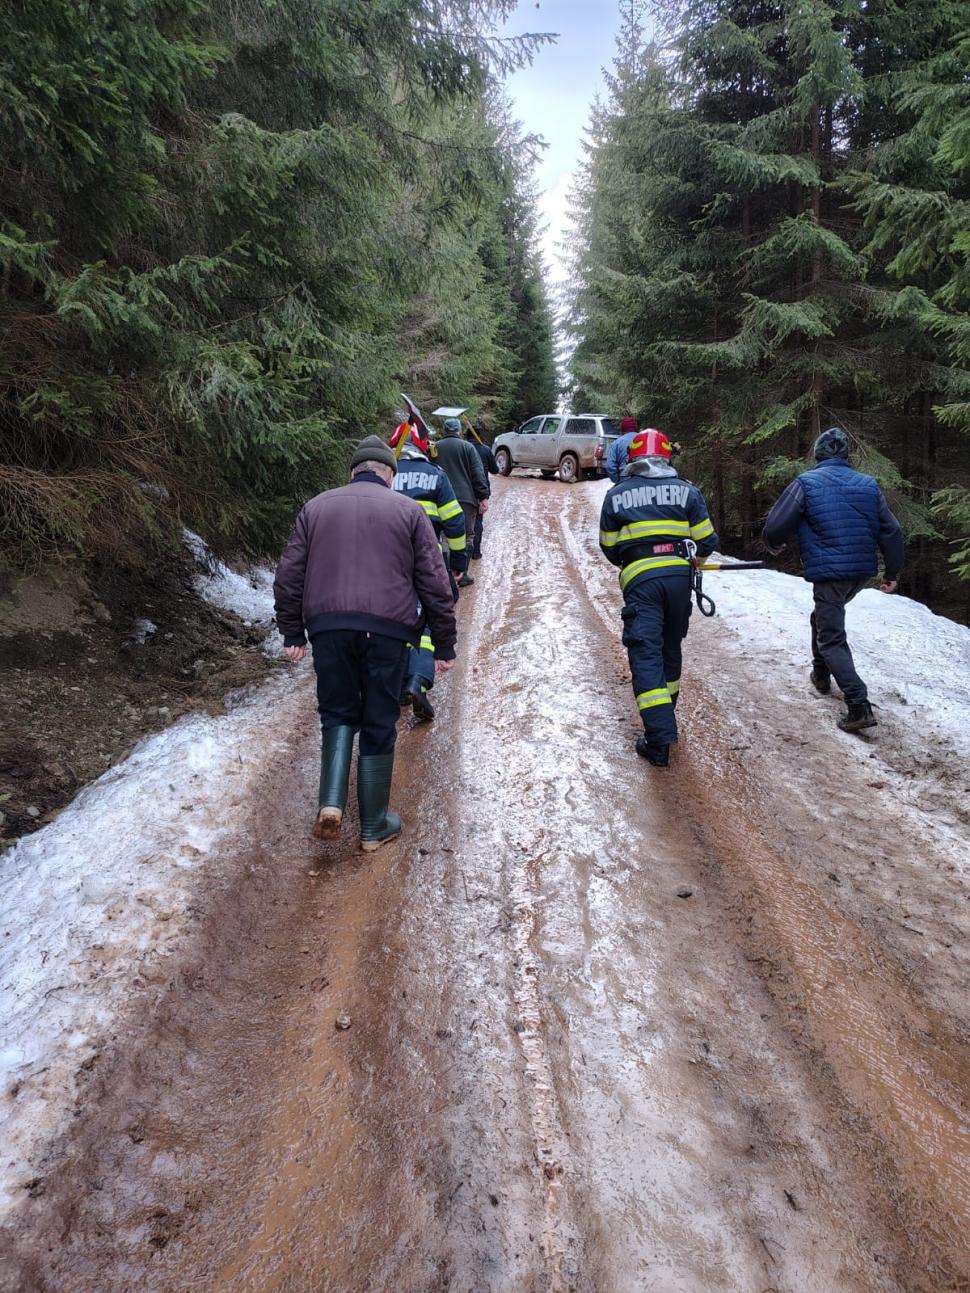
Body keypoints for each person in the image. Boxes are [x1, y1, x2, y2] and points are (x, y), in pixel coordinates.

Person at [274, 435, 457, 850]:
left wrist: (292, 632)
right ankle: (373, 826)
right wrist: (443, 645)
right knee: (378, 719)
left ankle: (332, 804)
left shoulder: (316, 507)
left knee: (337, 711)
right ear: (390, 475)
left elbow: (288, 576)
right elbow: (436, 584)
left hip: (329, 628)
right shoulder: (409, 511)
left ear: (352, 471)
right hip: (388, 633)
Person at [762, 426, 904, 733]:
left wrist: (775, 542)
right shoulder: (868, 484)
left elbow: (776, 524)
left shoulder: (807, 482)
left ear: (818, 454)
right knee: (824, 618)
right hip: (860, 572)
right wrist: (891, 572)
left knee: (831, 637)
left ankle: (858, 704)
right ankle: (821, 675)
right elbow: (892, 530)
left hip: (831, 573)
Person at [599, 429, 718, 766]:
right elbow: (707, 541)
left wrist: (634, 560)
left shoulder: (617, 495)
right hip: (680, 580)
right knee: (669, 647)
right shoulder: (688, 492)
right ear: (667, 457)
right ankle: (665, 714)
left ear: (632, 459)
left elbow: (608, 545)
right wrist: (690, 563)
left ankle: (659, 739)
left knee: (645, 652)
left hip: (641, 580)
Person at [389, 419, 467, 721]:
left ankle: (397, 686)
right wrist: (459, 562)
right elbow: (455, 522)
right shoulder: (436, 476)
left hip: (390, 564)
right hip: (427, 561)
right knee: (429, 621)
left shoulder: (388, 476)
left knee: (395, 620)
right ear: (424, 448)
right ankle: (418, 679)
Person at [433, 416, 489, 586]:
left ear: (444, 430)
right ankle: (462, 574)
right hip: (466, 499)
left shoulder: (434, 447)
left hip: (440, 497)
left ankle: (445, 576)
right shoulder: (468, 447)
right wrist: (483, 496)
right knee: (467, 536)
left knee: (443, 536)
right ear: (458, 431)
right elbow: (477, 473)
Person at [465, 422, 498, 560]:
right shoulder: (485, 450)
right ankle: (476, 552)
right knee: (478, 522)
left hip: (465, 490)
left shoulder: (464, 448)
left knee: (463, 521)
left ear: (466, 435)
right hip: (481, 491)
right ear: (479, 434)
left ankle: (462, 553)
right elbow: (495, 470)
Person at [606, 416, 640, 484]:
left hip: (625, 480)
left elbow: (610, 466)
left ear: (622, 429)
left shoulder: (616, 443)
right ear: (636, 428)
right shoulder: (644, 440)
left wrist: (618, 481)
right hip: (644, 480)